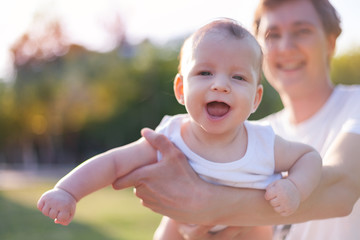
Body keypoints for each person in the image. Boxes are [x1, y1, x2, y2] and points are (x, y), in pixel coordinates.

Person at [37, 19, 322, 240]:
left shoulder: (263, 143)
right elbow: (113, 162)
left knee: (260, 231)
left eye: (238, 77)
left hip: (246, 226)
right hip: (182, 225)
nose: (220, 84)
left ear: (256, 99)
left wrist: (294, 187)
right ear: (181, 89)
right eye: (205, 72)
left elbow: (309, 157)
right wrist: (68, 192)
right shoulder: (169, 137)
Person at [112, 0, 360, 239]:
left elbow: (341, 189)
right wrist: (195, 229)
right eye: (273, 35)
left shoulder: (355, 105)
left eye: (302, 31)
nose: (285, 46)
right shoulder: (250, 136)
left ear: (330, 42)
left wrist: (205, 202)